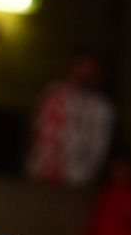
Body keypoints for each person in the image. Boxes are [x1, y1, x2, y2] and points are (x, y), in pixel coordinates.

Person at [28, 50, 116, 188]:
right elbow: (38, 128)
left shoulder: (101, 108)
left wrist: (83, 175)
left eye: (90, 68)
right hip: (42, 173)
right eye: (81, 66)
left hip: (75, 179)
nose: (84, 72)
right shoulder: (55, 93)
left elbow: (99, 147)